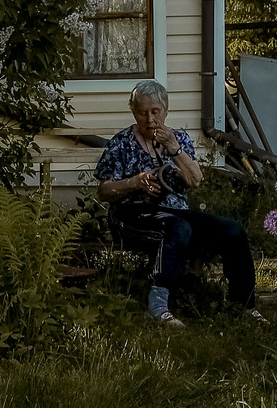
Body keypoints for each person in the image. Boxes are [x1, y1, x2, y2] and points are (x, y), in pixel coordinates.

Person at [91, 80, 259, 327]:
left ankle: (243, 305)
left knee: (232, 230)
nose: (150, 119)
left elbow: (196, 180)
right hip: (132, 215)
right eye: (142, 112)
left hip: (176, 212)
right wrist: (135, 183)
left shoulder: (178, 138)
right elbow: (103, 191)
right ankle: (158, 305)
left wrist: (174, 149)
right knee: (178, 228)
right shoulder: (122, 142)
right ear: (133, 111)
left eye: (155, 112)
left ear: (166, 110)